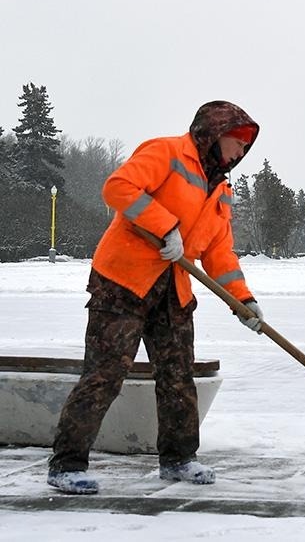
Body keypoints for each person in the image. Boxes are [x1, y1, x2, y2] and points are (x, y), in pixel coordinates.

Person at [46, 100, 265, 495]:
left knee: (179, 379)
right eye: (237, 143)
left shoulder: (222, 191)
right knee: (105, 375)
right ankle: (67, 464)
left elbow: (220, 254)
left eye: (246, 148)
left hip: (174, 288)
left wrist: (242, 300)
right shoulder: (166, 152)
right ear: (213, 134)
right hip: (123, 283)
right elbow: (117, 188)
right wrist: (165, 227)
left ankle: (179, 459)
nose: (240, 153)